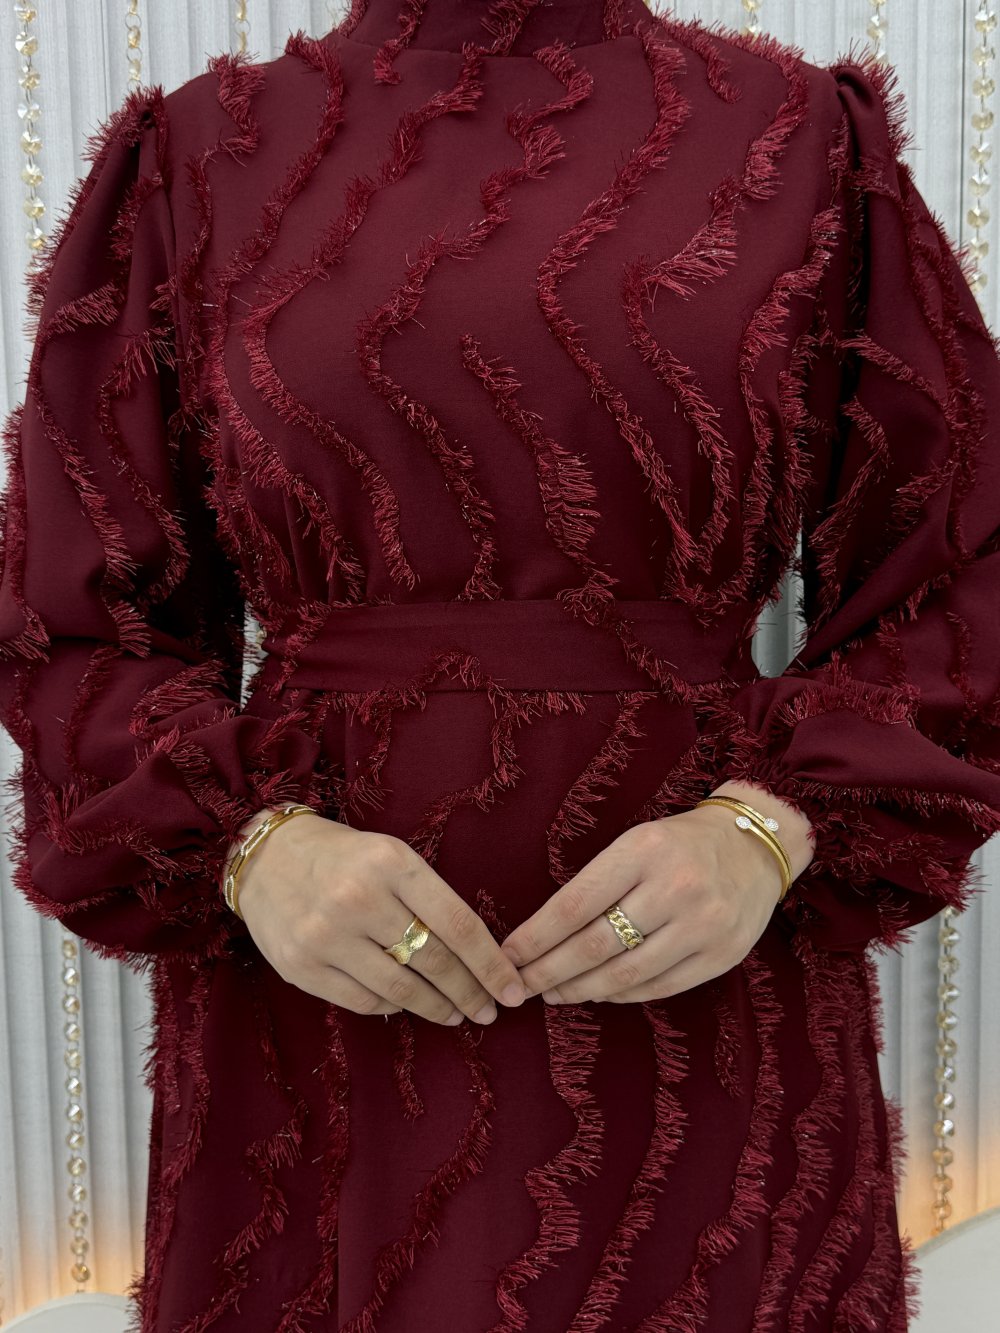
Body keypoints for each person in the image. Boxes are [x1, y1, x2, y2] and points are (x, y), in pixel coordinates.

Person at [1, 0, 998, 1327]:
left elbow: (959, 563)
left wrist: (770, 830)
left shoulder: (804, 138)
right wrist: (250, 849)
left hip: (714, 981)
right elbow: (71, 610)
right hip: (314, 997)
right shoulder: (195, 160)